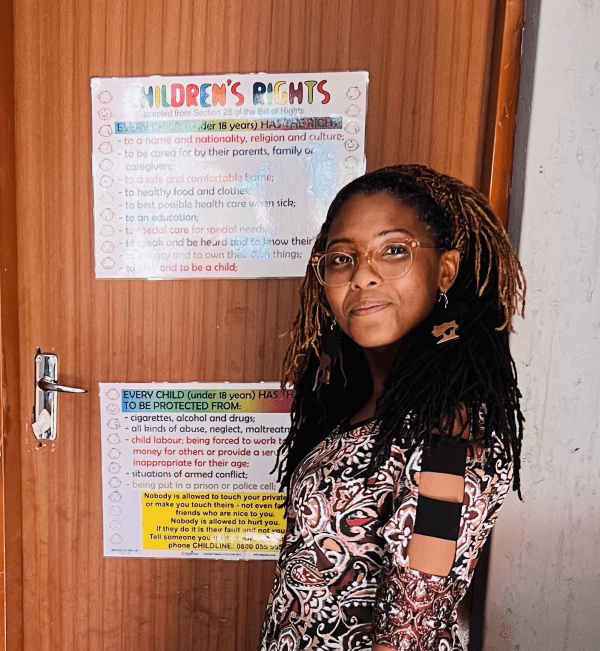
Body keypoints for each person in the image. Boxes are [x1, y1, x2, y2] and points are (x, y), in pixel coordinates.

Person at [258, 165, 526, 651]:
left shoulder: (452, 430)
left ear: (445, 269)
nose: (363, 275)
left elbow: (414, 620)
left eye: (394, 251)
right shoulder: (361, 407)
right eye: (342, 259)